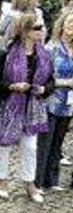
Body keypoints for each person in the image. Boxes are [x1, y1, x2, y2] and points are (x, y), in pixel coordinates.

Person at [0, 13, 55, 202]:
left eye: (42, 27)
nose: (42, 30)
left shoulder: (44, 55)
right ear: (25, 31)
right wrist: (12, 87)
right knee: (3, 144)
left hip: (33, 107)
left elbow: (51, 80)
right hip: (8, 106)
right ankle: (1, 180)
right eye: (37, 27)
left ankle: (29, 182)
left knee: (30, 147)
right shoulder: (6, 54)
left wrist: (44, 89)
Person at [36, 13, 73, 191]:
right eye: (70, 22)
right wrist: (66, 83)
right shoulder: (51, 48)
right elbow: (44, 78)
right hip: (51, 100)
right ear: (62, 25)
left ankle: (52, 180)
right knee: (45, 142)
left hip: (69, 104)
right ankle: (38, 181)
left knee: (58, 142)